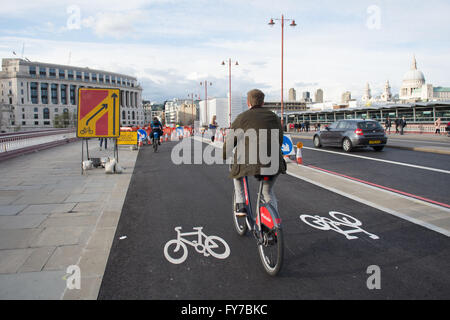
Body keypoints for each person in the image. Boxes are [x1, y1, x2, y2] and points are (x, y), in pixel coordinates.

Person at [223, 89, 286, 217]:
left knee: (236, 171)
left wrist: (225, 154)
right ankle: (274, 224)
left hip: (249, 161)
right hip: (274, 161)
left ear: (248, 103)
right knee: (267, 192)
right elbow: (280, 138)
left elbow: (230, 141)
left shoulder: (242, 117)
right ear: (263, 102)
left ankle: (240, 205)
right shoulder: (274, 117)